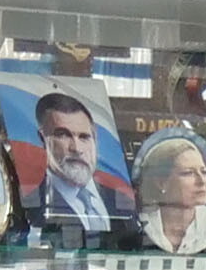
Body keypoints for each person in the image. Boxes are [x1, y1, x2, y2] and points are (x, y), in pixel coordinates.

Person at [25, 88, 132, 236]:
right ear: (43, 139)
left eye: (84, 137)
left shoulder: (122, 200)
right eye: (63, 135)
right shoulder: (33, 205)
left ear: (95, 138)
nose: (76, 148)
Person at [136, 132, 206, 255]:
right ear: (161, 182)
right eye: (188, 173)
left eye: (204, 172)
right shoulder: (140, 224)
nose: (201, 181)